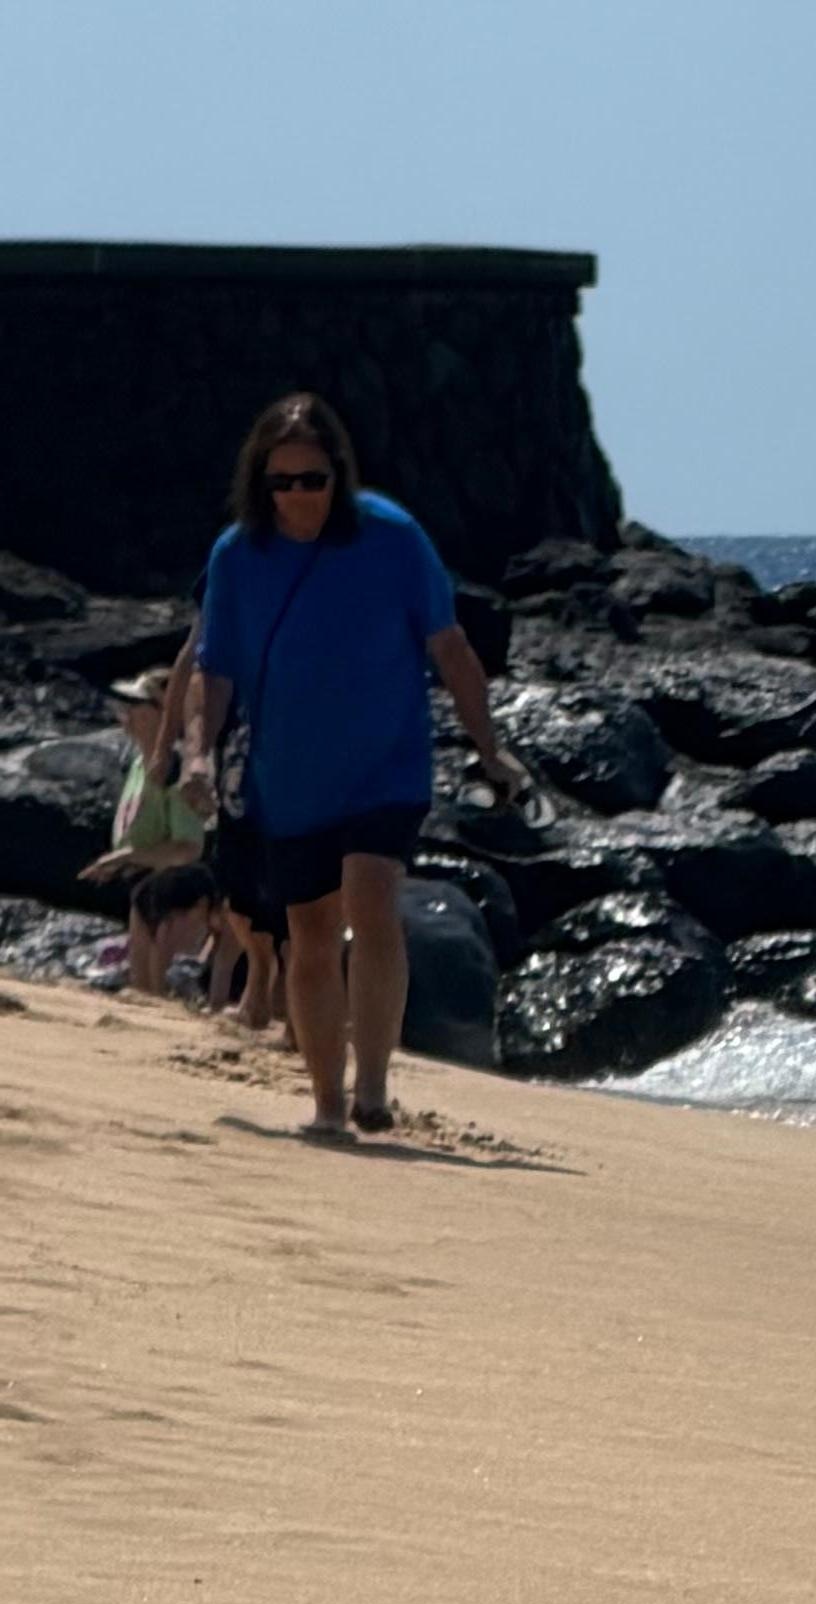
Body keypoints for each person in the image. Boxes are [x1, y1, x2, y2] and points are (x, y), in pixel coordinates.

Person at [184, 393, 524, 1141]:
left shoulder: (394, 538)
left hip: (387, 763)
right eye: (283, 482)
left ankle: (372, 1088)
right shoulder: (238, 557)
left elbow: (450, 648)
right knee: (308, 929)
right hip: (292, 774)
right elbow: (216, 671)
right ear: (259, 483)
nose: (299, 497)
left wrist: (488, 748)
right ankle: (327, 1102)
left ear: (339, 474)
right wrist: (198, 756)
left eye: (314, 480)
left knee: (371, 900)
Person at [86, 667, 221, 1002]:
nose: (126, 713)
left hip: (176, 898)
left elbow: (188, 849)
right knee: (143, 994)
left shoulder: (176, 770)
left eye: (137, 705)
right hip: (146, 889)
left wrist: (127, 856)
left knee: (159, 998)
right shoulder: (139, 764)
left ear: (166, 714)